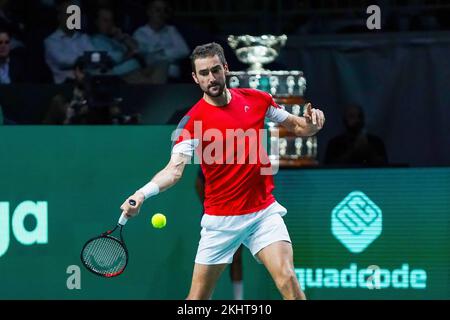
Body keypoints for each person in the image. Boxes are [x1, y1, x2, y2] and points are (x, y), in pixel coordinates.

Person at [120, 42, 325, 300]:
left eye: (215, 70)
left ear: (225, 68)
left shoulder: (257, 99)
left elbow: (298, 127)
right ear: (195, 78)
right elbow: (173, 171)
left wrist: (312, 123)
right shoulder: (191, 123)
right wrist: (141, 194)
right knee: (197, 300)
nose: (211, 78)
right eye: (203, 73)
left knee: (288, 280)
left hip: (262, 213)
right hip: (220, 222)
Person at [195, 169, 244, 300]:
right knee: (209, 264)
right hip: (214, 218)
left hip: (237, 216)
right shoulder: (212, 156)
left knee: (236, 259)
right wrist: (210, 207)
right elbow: (198, 183)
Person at [133, 0, 189, 81]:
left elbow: (184, 51)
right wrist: (170, 55)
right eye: (158, 10)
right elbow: (145, 54)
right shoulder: (140, 33)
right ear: (149, 12)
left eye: (165, 10)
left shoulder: (171, 30)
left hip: (173, 76)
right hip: (152, 76)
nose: (161, 14)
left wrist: (161, 53)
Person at [44, 0, 94, 84]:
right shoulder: (51, 41)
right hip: (64, 86)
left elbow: (95, 57)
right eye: (68, 14)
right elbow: (63, 61)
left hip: (87, 82)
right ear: (59, 16)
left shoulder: (84, 38)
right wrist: (84, 59)